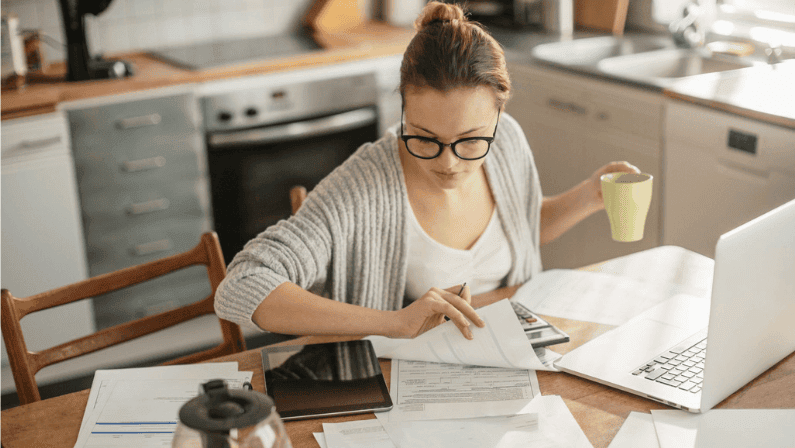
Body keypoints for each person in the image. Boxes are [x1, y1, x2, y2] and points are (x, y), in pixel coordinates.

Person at [214, 1, 639, 341]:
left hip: (509, 354)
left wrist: (588, 196)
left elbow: (522, 226)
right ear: (402, 110)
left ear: (499, 114)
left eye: (471, 140)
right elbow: (242, 286)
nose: (447, 162)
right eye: (424, 137)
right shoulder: (365, 186)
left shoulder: (507, 141)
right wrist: (394, 323)